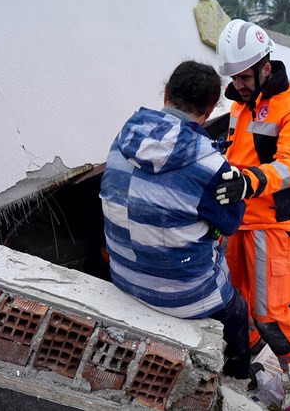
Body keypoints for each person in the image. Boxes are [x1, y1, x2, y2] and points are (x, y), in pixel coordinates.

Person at [99, 60, 250, 379]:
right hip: (183, 297)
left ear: (166, 93)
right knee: (237, 312)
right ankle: (238, 377)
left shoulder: (123, 136)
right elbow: (231, 224)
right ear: (210, 110)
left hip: (121, 275)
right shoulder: (213, 167)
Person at [214, 19, 290, 371]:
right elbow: (233, 155)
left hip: (271, 226)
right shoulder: (239, 107)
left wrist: (248, 182)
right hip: (237, 222)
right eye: (234, 78)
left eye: (244, 77)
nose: (238, 85)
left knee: (270, 315)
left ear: (266, 68)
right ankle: (245, 368)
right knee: (238, 306)